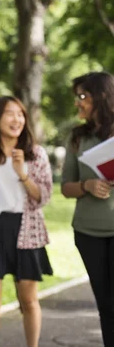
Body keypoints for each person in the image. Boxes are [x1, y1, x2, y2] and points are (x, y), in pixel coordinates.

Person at [0, 96, 53, 347]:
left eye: (21, 114)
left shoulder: (35, 155)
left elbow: (44, 196)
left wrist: (23, 174)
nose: (17, 119)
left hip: (27, 229)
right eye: (10, 113)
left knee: (27, 300)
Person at [61, 72, 114, 347]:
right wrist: (87, 185)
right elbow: (65, 186)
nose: (78, 103)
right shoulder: (77, 137)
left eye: (83, 96)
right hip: (87, 232)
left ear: (101, 97)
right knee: (105, 305)